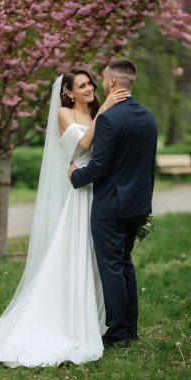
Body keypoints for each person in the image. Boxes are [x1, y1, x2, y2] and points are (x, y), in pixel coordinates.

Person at [0, 67, 128, 367]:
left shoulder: (97, 112)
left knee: (98, 259)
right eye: (82, 86)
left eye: (90, 84)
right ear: (69, 93)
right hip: (79, 197)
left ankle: (100, 319)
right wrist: (107, 108)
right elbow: (83, 144)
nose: (89, 89)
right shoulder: (65, 115)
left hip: (97, 193)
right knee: (77, 255)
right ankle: (66, 320)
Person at [69, 59, 158, 348]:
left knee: (112, 267)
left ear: (113, 83)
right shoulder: (148, 117)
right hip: (138, 204)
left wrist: (74, 175)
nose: (101, 83)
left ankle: (118, 333)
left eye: (104, 78)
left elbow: (99, 168)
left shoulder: (109, 119)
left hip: (110, 206)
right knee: (125, 264)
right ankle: (130, 328)